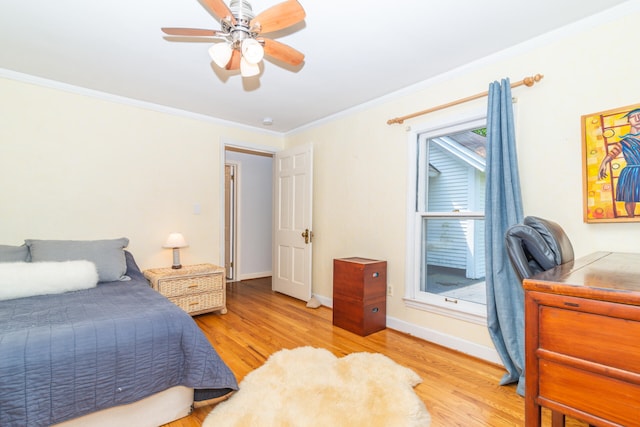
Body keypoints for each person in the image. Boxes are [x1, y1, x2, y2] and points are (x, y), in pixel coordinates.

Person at [598, 108, 640, 218]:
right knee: (630, 198)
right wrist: (603, 163)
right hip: (631, 172)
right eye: (633, 116)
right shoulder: (624, 142)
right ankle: (631, 218)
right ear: (628, 120)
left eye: (639, 115)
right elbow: (612, 154)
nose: (638, 118)